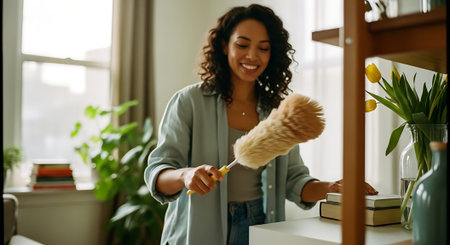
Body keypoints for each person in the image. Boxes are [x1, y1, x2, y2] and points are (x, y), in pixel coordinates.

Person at [144, 4, 378, 245]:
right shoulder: (189, 102)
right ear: (224, 46)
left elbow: (294, 181)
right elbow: (158, 172)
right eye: (242, 45)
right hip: (196, 231)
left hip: (260, 226)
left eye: (263, 48)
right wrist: (186, 175)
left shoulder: (278, 112)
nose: (252, 56)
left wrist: (334, 188)